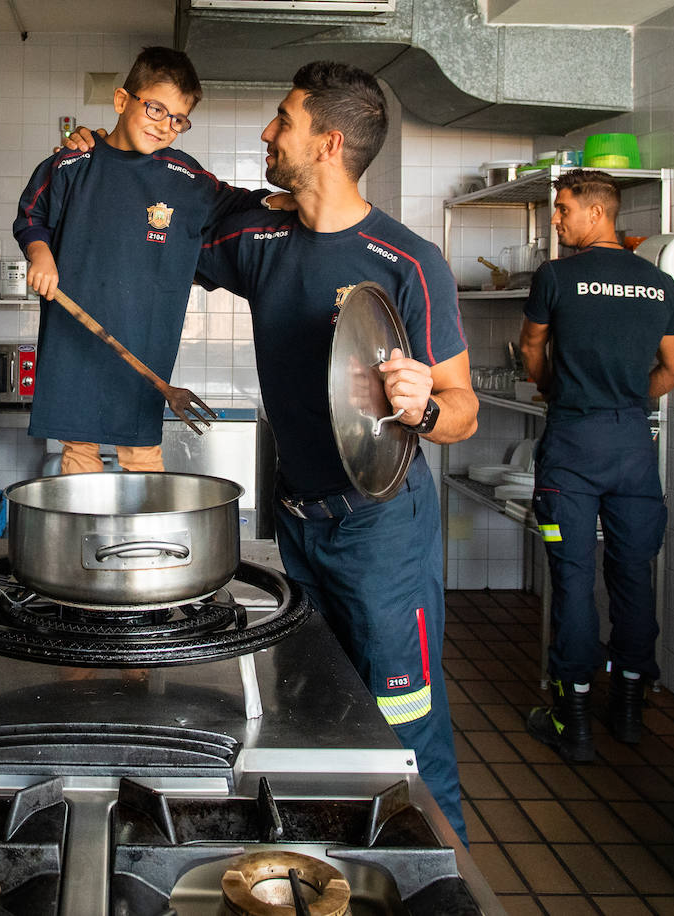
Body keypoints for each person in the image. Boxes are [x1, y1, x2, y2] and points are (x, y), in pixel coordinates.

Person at [191, 62, 479, 844]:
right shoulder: (261, 237)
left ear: (327, 142)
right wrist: (106, 157)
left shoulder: (408, 261)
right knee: (316, 707)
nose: (265, 133)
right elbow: (174, 221)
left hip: (382, 526)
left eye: (281, 120)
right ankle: (330, 865)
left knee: (406, 721)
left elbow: (464, 413)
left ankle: (438, 882)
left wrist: (423, 405)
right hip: (298, 522)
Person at [13, 46, 275, 475]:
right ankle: (83, 540)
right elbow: (31, 216)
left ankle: (146, 544)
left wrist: (277, 200)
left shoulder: (186, 177)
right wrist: (40, 254)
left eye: (178, 119)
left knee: (142, 455)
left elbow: (236, 204)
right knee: (79, 452)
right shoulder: (73, 163)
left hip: (144, 343)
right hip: (74, 334)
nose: (165, 126)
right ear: (121, 101)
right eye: (155, 109)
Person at [519, 170, 674, 764]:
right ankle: (631, 708)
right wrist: (632, 403)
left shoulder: (558, 277)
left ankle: (573, 718)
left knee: (570, 577)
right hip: (633, 446)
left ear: (597, 212)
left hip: (573, 443)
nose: (557, 220)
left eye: (563, 210)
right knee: (634, 575)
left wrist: (553, 388)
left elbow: (532, 349)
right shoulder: (659, 283)